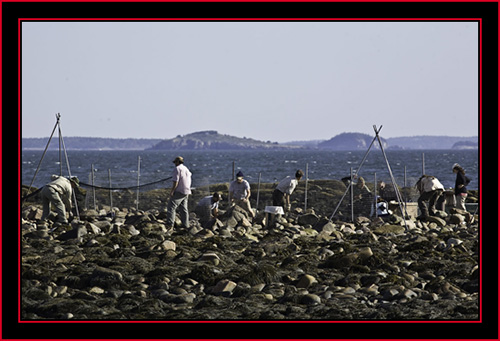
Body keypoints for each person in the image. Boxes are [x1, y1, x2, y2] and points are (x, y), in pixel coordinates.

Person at [166, 156, 192, 230]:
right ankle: (186, 224)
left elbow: (176, 182)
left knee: (171, 207)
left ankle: (170, 224)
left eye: (175, 162)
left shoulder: (177, 169)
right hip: (187, 190)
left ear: (177, 162)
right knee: (184, 208)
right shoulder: (186, 169)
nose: (174, 163)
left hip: (180, 191)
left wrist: (172, 191)